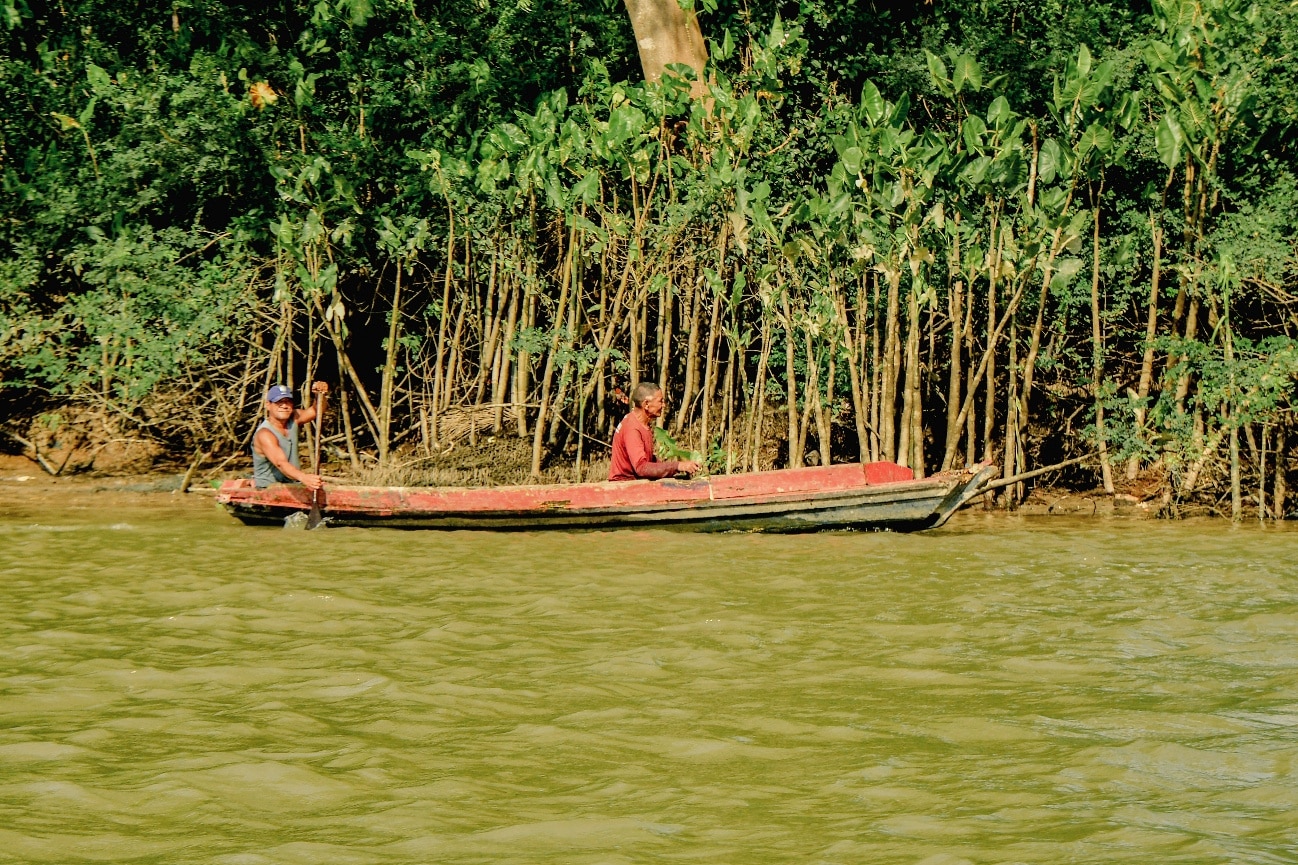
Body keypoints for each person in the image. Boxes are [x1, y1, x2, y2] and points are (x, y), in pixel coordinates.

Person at [608, 382, 701, 482]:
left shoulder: (641, 423)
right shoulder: (632, 429)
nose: (664, 405)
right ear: (646, 404)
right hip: (625, 486)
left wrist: (679, 467)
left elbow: (649, 460)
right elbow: (641, 468)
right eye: (660, 401)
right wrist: (677, 466)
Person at [253, 382, 328, 490]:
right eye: (279, 402)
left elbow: (317, 410)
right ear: (268, 405)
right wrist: (304, 478)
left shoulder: (294, 419)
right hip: (268, 488)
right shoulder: (265, 434)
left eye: (288, 402)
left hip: (291, 483)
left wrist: (320, 395)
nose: (284, 406)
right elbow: (280, 463)